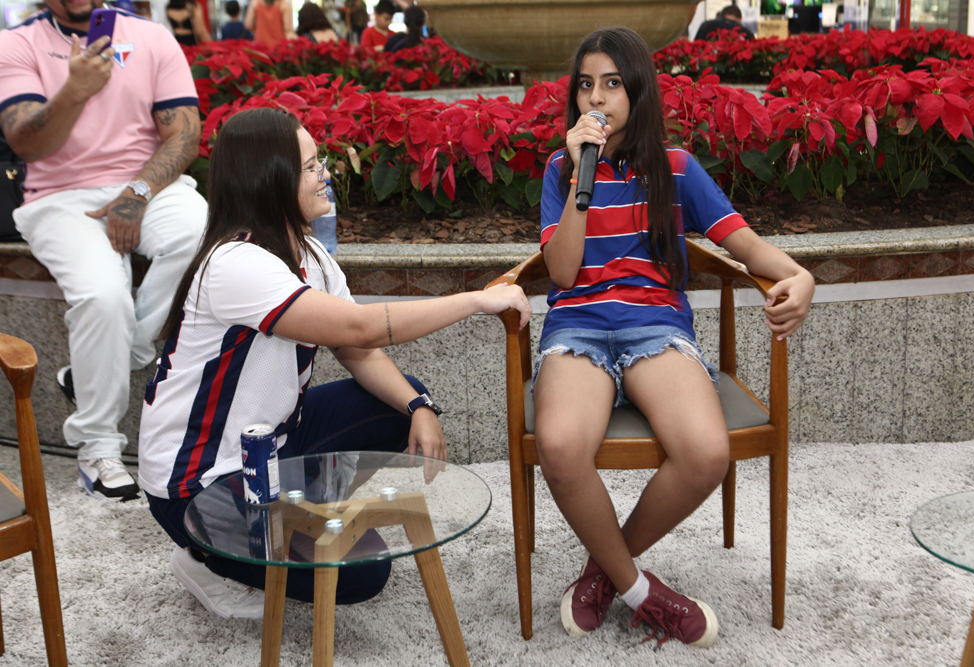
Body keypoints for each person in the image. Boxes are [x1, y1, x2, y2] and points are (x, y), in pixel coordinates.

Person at [138, 107, 531, 618]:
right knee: (362, 574)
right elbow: (358, 328)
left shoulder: (309, 254)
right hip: (198, 483)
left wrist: (419, 405)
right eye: (308, 166)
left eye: (319, 159)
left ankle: (293, 518)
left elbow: (357, 352)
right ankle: (204, 557)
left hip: (272, 446)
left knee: (396, 402)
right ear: (270, 180)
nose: (324, 172)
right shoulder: (236, 263)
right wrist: (478, 299)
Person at [535, 27, 813, 647]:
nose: (597, 99)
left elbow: (743, 245)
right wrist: (583, 170)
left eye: (612, 84)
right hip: (578, 326)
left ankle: (606, 573)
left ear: (637, 89)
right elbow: (560, 272)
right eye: (586, 85)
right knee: (559, 446)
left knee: (706, 452)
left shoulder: (676, 167)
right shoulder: (561, 168)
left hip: (654, 325)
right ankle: (640, 591)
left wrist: (799, 274)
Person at [0, 0, 208, 501]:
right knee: (102, 296)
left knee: (196, 230)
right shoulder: (17, 44)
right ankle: (96, 448)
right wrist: (74, 89)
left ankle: (126, 351)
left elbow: (185, 133)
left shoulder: (152, 37)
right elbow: (25, 142)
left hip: (147, 185)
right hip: (59, 197)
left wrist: (136, 194)